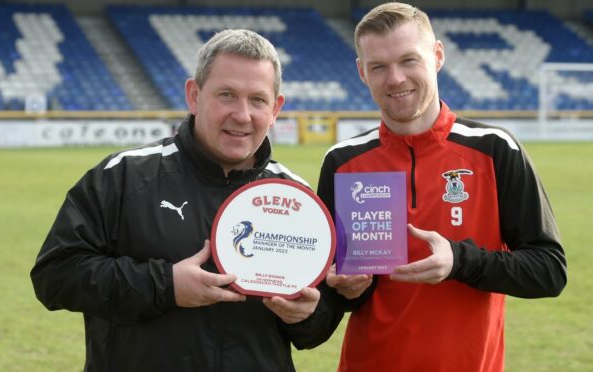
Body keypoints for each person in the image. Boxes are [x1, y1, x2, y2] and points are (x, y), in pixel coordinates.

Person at [31, 29, 335, 371]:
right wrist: (166, 286)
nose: (242, 114)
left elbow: (317, 327)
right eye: (226, 94)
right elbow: (55, 277)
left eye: (258, 100)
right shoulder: (124, 176)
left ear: (276, 108)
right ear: (194, 95)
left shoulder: (297, 198)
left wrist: (306, 315)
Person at [318, 3, 567, 372]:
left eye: (408, 60)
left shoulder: (495, 149)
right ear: (361, 73)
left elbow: (549, 270)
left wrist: (460, 261)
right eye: (379, 67)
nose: (395, 78)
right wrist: (346, 288)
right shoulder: (343, 162)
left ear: (437, 56)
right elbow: (330, 292)